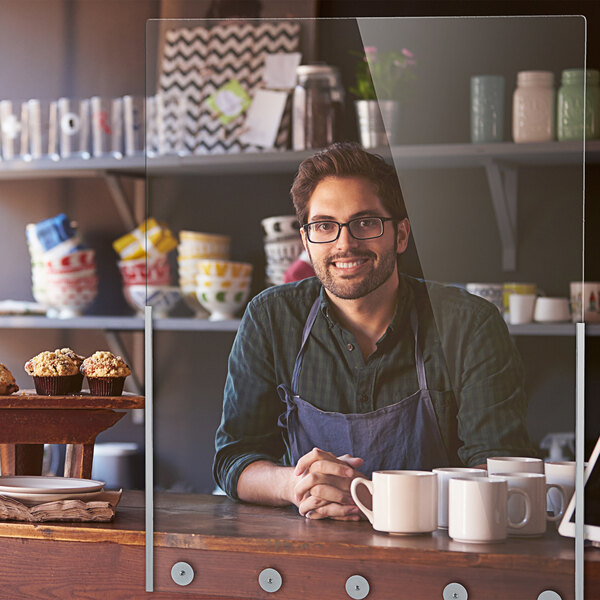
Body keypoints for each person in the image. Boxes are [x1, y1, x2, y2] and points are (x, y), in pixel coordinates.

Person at [214, 142, 534, 521]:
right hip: (306, 556)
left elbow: (500, 470)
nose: (344, 243)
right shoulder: (271, 318)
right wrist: (293, 484)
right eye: (324, 226)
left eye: (365, 222)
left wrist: (385, 499)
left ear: (400, 235)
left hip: (437, 559)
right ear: (306, 241)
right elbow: (234, 458)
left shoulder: (469, 324)